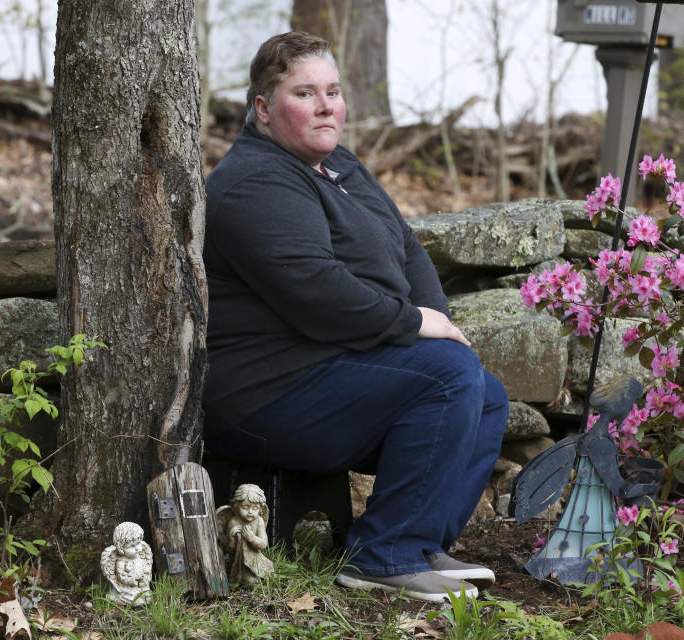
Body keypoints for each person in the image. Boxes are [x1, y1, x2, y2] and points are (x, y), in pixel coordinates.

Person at [202, 31, 508, 603]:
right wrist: (417, 328)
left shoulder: (337, 164)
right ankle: (383, 557)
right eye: (305, 93)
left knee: (485, 392)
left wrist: (437, 323)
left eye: (334, 91)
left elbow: (407, 248)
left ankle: (420, 544)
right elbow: (317, 291)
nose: (326, 106)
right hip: (263, 394)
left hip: (330, 369)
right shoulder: (253, 182)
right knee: (448, 376)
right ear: (263, 109)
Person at [216, 483, 276, 587]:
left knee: (270, 574)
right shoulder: (234, 522)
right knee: (251, 582)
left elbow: (263, 544)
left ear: (261, 508)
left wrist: (251, 538)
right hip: (240, 564)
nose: (250, 512)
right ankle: (242, 578)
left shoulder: (259, 521)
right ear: (236, 506)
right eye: (245, 507)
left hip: (257, 560)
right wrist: (231, 536)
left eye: (255, 508)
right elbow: (229, 550)